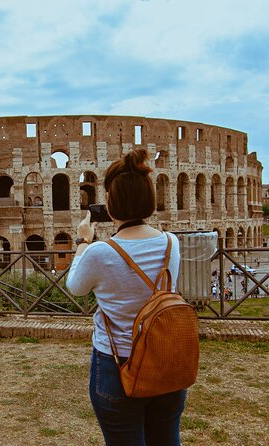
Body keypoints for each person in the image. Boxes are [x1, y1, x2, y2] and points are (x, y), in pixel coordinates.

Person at [66, 149, 186, 445]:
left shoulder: (100, 252)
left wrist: (83, 240)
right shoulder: (172, 243)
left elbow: (75, 286)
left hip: (117, 365)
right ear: (149, 200)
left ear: (109, 202)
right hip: (167, 359)